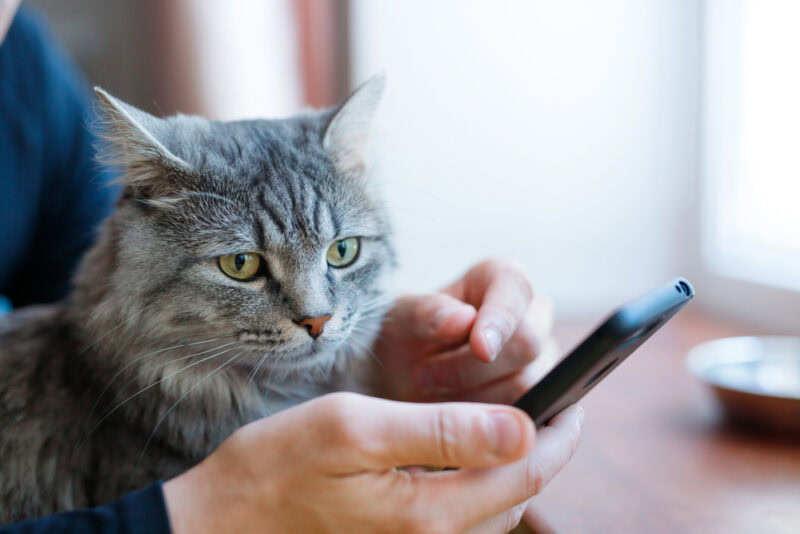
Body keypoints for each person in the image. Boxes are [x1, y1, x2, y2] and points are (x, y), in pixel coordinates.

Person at [0, 4, 582, 533]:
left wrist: (389, 351)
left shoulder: (22, 58)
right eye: (242, 264)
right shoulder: (127, 427)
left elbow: (73, 279)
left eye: (342, 253)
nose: (315, 313)